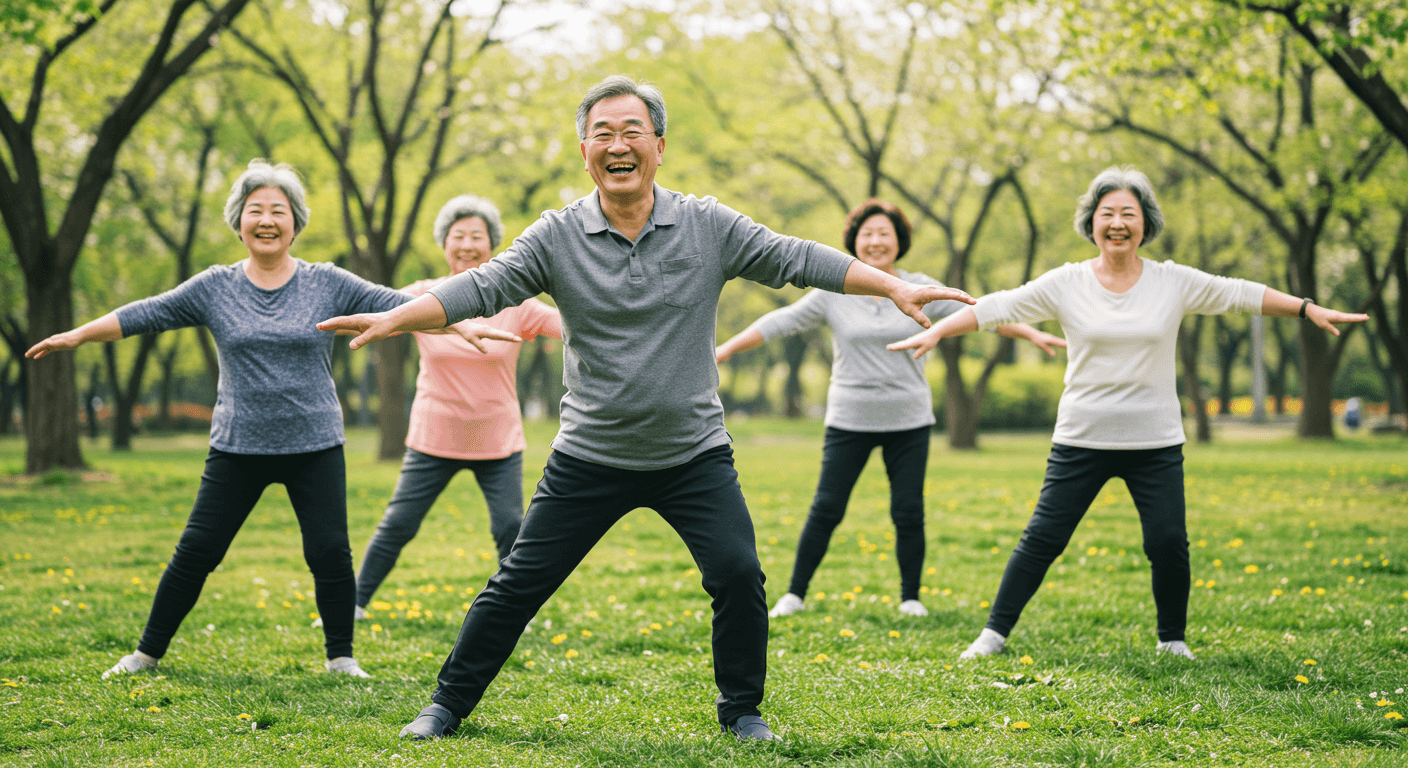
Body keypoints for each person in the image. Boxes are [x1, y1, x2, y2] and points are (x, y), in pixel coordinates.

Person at [318, 75, 974, 742]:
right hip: (591, 454)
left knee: (739, 572)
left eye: (632, 131)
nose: (618, 144)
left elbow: (794, 258)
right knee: (517, 582)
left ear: (659, 146)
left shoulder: (707, 225)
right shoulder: (557, 236)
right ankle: (446, 705)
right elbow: (483, 286)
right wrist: (398, 318)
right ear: (584, 152)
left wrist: (892, 285)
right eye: (602, 133)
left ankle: (743, 711)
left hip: (692, 453)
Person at [25, 160, 517, 680]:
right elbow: (148, 312)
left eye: (278, 210)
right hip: (239, 444)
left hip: (315, 443)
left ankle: (341, 658)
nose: (266, 219)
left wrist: (461, 325)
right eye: (255, 210)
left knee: (329, 552)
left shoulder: (326, 281)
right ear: (239, 221)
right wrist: (76, 335)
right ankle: (145, 654)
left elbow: (398, 306)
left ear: (295, 223)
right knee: (197, 550)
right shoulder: (215, 287)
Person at [889, 166, 1367, 661]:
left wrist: (1307, 308)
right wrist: (938, 332)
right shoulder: (1066, 282)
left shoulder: (1172, 281)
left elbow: (1238, 293)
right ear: (1091, 223)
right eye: (1107, 213)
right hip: (1082, 436)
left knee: (1167, 542)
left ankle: (1172, 640)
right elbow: (1000, 306)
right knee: (1042, 538)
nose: (1117, 222)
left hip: (1154, 441)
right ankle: (993, 635)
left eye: (1128, 213)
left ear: (1146, 223)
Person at [714, 199, 1065, 619]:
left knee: (908, 510)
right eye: (868, 234)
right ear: (854, 242)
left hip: (908, 419)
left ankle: (910, 597)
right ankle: (795, 594)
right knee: (827, 507)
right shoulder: (834, 290)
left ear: (899, 241)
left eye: (885, 233)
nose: (876, 241)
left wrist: (1030, 334)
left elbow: (979, 312)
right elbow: (780, 322)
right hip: (849, 418)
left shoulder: (921, 286)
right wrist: (727, 348)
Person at [351, 195, 561, 615]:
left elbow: (572, 327)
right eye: (458, 236)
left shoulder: (516, 303)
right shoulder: (422, 296)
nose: (467, 244)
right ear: (444, 243)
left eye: (476, 236)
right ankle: (352, 605)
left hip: (498, 439)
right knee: (399, 524)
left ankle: (513, 612)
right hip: (434, 437)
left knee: (509, 529)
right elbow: (370, 313)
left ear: (492, 245)